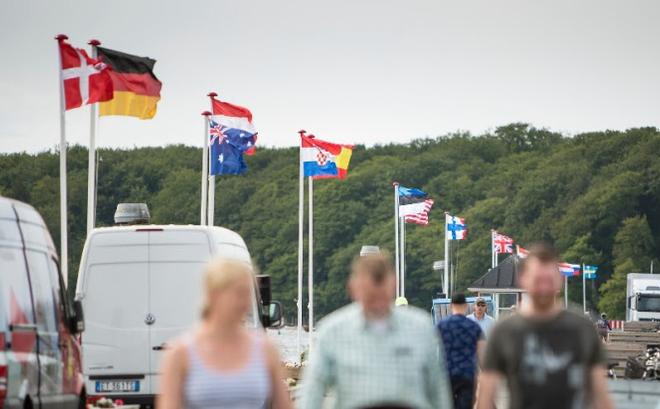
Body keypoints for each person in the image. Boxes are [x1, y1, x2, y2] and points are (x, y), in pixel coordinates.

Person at [299, 253, 453, 409]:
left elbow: (438, 392)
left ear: (394, 284)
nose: (378, 303)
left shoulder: (421, 328)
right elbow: (312, 392)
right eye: (370, 296)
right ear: (353, 287)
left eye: (383, 295)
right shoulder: (332, 332)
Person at [476, 243, 614, 409]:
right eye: (538, 280)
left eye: (548, 280)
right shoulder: (504, 331)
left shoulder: (582, 329)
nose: (543, 287)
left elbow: (600, 394)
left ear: (559, 280)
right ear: (524, 279)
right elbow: (485, 395)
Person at [157, 258, 292, 409]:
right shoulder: (180, 354)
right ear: (214, 295)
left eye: (249, 294)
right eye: (240, 293)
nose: (246, 303)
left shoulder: (266, 350)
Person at [437, 293, 485, 409]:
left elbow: (434, 351)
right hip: (467, 373)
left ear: (450, 305)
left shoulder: (442, 326)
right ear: (465, 306)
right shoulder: (474, 327)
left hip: (447, 373)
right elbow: (482, 354)